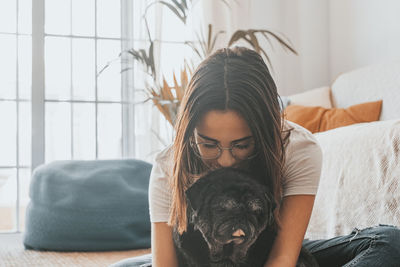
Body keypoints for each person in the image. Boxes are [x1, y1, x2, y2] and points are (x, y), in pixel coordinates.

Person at [111, 47, 400, 267]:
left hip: (268, 257)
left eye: (242, 145)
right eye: (209, 144)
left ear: (264, 133)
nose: (225, 159)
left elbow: (282, 258)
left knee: (388, 243)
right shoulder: (168, 164)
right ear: (190, 132)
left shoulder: (298, 148)